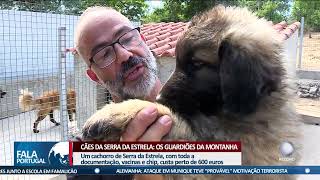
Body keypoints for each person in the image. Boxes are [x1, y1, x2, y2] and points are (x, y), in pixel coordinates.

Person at [68, 6, 172, 180]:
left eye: (128, 38)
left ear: (144, 40)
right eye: (104, 54)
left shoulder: (205, 108)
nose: (124, 55)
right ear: (95, 77)